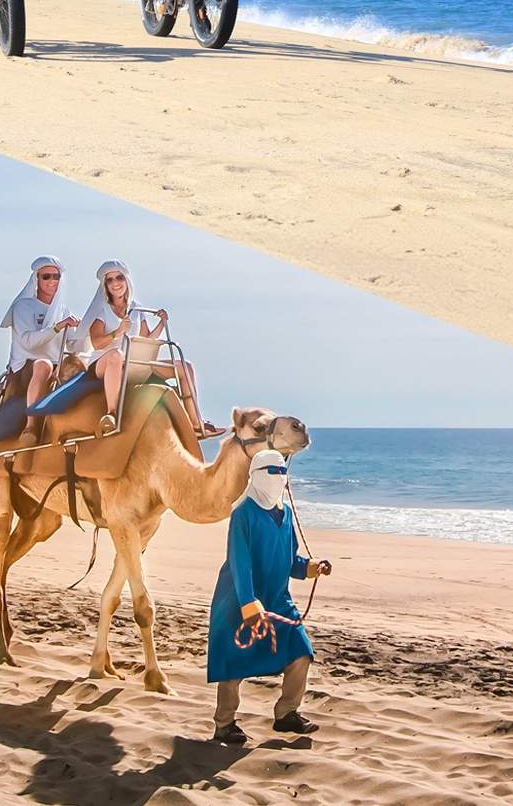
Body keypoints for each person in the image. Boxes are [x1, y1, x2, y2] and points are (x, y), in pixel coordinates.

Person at [207, 447, 332, 744]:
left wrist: (311, 568)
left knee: (301, 651)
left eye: (283, 472)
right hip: (238, 599)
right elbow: (240, 562)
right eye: (272, 472)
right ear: (256, 476)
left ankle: (287, 713)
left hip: (277, 601)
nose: (279, 477)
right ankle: (224, 724)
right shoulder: (243, 513)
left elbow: (290, 559)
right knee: (233, 663)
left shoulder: (286, 514)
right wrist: (248, 603)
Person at [79, 260, 209, 436]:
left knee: (184, 366)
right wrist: (118, 332)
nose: (115, 283)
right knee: (116, 355)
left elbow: (145, 339)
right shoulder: (102, 310)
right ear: (105, 285)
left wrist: (162, 324)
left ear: (126, 280)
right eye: (110, 280)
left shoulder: (136, 307)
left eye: (119, 278)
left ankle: (195, 422)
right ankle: (111, 413)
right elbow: (96, 343)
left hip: (134, 362)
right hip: (106, 363)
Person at [0, 256, 80, 440]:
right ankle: (31, 426)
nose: (52, 281)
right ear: (37, 279)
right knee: (42, 364)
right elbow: (28, 342)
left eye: (56, 277)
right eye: (46, 277)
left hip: (57, 366)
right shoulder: (23, 307)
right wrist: (58, 327)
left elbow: (74, 345)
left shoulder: (63, 311)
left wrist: (83, 331)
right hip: (26, 366)